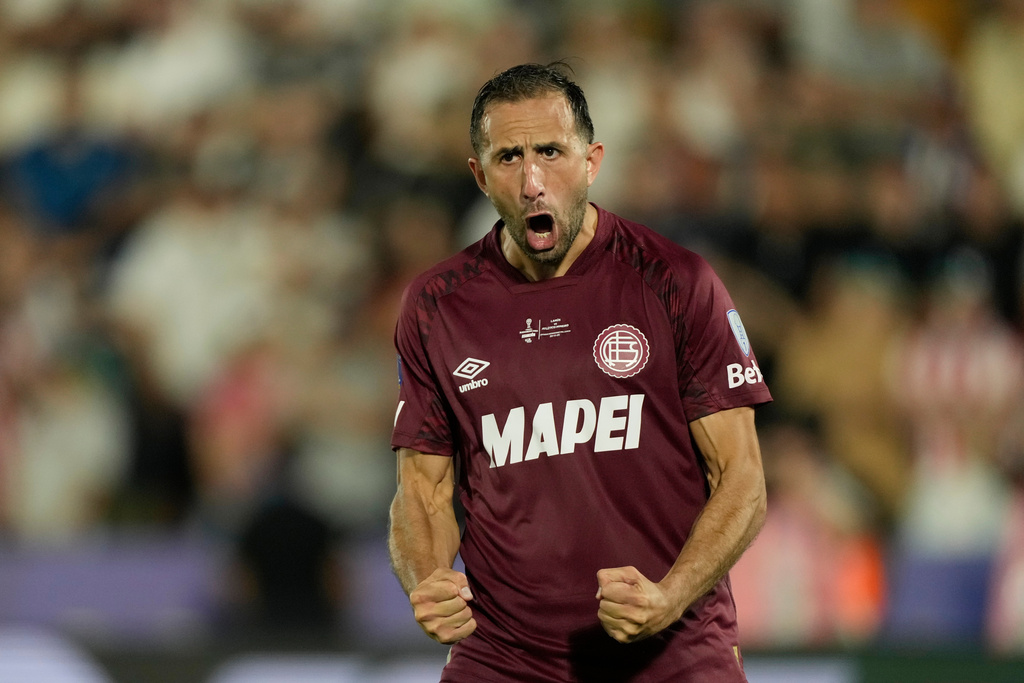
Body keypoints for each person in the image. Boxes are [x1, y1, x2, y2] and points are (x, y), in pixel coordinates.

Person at [387, 62, 771, 682]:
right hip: (504, 657)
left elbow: (742, 478)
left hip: (669, 650)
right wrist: (426, 582)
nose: (533, 180)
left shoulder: (676, 283)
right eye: (509, 157)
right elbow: (422, 490)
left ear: (591, 161)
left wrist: (669, 596)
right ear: (479, 176)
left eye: (551, 152)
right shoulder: (438, 305)